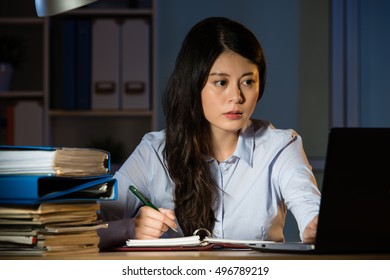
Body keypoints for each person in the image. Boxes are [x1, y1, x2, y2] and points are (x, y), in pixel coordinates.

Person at [98, 16, 321, 249]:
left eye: (247, 82)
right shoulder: (154, 152)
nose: (236, 97)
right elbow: (82, 229)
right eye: (221, 83)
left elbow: (309, 209)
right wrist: (130, 227)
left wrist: (315, 226)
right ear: (194, 84)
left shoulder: (281, 147)